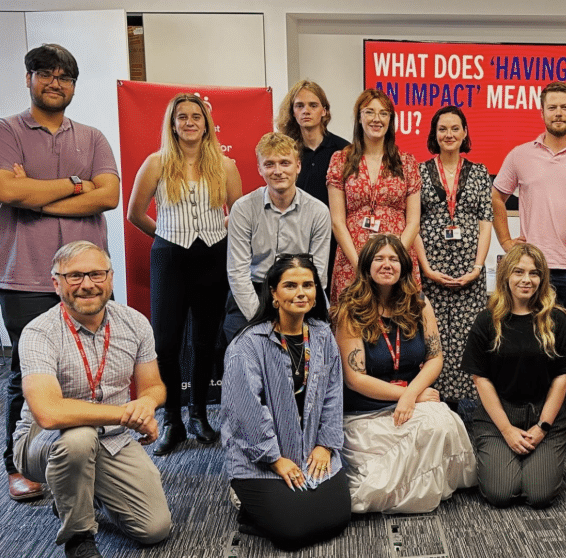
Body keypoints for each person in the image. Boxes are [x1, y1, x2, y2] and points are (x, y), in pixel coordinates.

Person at [0, 44, 120, 502]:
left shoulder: (91, 137)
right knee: (25, 371)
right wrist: (74, 184)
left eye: (65, 77)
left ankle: (93, 454)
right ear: (28, 78)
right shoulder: (7, 130)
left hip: (87, 278)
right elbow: (7, 188)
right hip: (24, 274)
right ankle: (19, 463)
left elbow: (108, 195)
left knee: (93, 365)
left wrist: (34, 196)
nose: (55, 83)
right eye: (46, 74)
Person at [14, 241, 171, 557]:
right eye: (74, 276)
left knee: (154, 529)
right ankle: (78, 537)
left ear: (111, 278)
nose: (87, 285)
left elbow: (153, 385)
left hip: (112, 440)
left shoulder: (134, 323)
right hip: (43, 442)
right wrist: (126, 413)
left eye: (96, 274)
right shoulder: (39, 333)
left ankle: (76, 488)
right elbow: (48, 412)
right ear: (56, 283)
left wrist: (147, 404)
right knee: (78, 439)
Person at [126, 93, 242, 456]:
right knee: (166, 342)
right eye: (183, 117)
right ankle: (173, 420)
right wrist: (166, 236)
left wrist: (215, 233)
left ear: (206, 124)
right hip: (169, 258)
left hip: (212, 256)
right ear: (172, 124)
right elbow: (135, 213)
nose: (190, 122)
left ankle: (198, 414)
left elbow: (238, 212)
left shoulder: (225, 165)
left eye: (197, 116)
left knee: (206, 339)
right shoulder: (156, 163)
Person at [492, 81, 566, 420]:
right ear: (542, 111)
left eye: (565, 107)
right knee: (532, 342)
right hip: (533, 272)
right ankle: (534, 409)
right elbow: (498, 197)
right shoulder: (520, 155)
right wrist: (505, 241)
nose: (558, 113)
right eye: (552, 107)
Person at [334, 234, 476, 513]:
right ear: (366, 266)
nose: (387, 265)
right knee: (433, 426)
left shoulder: (419, 303)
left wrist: (411, 395)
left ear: (404, 266)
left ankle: (415, 485)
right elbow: (355, 378)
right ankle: (408, 490)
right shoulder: (350, 309)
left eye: (394, 259)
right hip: (366, 412)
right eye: (379, 259)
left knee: (445, 422)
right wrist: (412, 395)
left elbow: (435, 358)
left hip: (408, 404)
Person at [222, 254, 350, 551]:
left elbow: (333, 394)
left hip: (310, 448)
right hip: (261, 455)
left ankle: (279, 504)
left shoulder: (322, 336)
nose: (301, 292)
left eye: (308, 285)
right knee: (291, 532)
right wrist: (275, 459)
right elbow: (245, 413)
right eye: (290, 286)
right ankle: (244, 499)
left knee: (338, 516)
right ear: (274, 294)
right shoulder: (248, 345)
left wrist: (325, 445)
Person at [463, 243, 566, 508]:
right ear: (506, 276)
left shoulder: (558, 321)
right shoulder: (486, 320)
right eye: (518, 272)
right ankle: (511, 460)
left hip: (546, 416)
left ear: (543, 279)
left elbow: (563, 378)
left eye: (534, 273)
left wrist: (542, 428)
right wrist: (506, 430)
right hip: (499, 417)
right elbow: (480, 379)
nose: (526, 280)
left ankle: (532, 463)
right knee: (500, 493)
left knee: (539, 495)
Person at [415, 106, 493, 404]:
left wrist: (477, 267)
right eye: (442, 129)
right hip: (431, 271)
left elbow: (485, 223)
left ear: (464, 133)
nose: (449, 134)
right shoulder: (419, 171)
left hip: (469, 273)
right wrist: (426, 269)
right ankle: (434, 402)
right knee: (432, 339)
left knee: (467, 339)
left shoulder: (480, 172)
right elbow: (415, 223)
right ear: (434, 134)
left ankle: (469, 410)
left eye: (455, 128)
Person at [225, 132, 331, 342]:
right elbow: (237, 273)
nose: (278, 171)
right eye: (270, 164)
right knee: (242, 344)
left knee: (318, 343)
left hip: (300, 290)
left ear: (298, 166)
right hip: (255, 289)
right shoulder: (243, 209)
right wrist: (263, 319)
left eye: (285, 163)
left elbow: (318, 275)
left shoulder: (318, 211)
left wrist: (293, 316)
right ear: (260, 169)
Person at [327, 89, 421, 307]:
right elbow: (337, 221)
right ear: (359, 117)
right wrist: (362, 265)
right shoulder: (341, 159)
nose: (376, 119)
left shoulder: (406, 162)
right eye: (369, 112)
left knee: (399, 323)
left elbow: (414, 222)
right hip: (353, 261)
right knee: (352, 327)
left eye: (384, 113)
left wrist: (394, 259)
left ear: (391, 120)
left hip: (398, 262)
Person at [277, 80, 349, 291]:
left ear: (324, 111)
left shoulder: (343, 150)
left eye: (313, 105)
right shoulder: (284, 150)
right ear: (292, 112)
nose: (306, 111)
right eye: (299, 106)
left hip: (333, 239)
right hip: (292, 237)